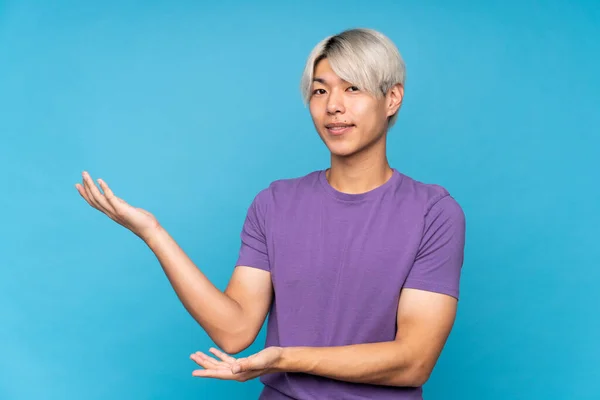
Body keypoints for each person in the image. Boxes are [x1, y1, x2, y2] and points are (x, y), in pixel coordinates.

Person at [76, 28, 466, 400]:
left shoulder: (433, 213)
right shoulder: (275, 203)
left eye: (353, 88)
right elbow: (235, 331)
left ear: (392, 98)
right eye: (320, 90)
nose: (333, 105)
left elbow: (414, 361)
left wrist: (286, 357)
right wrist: (153, 233)